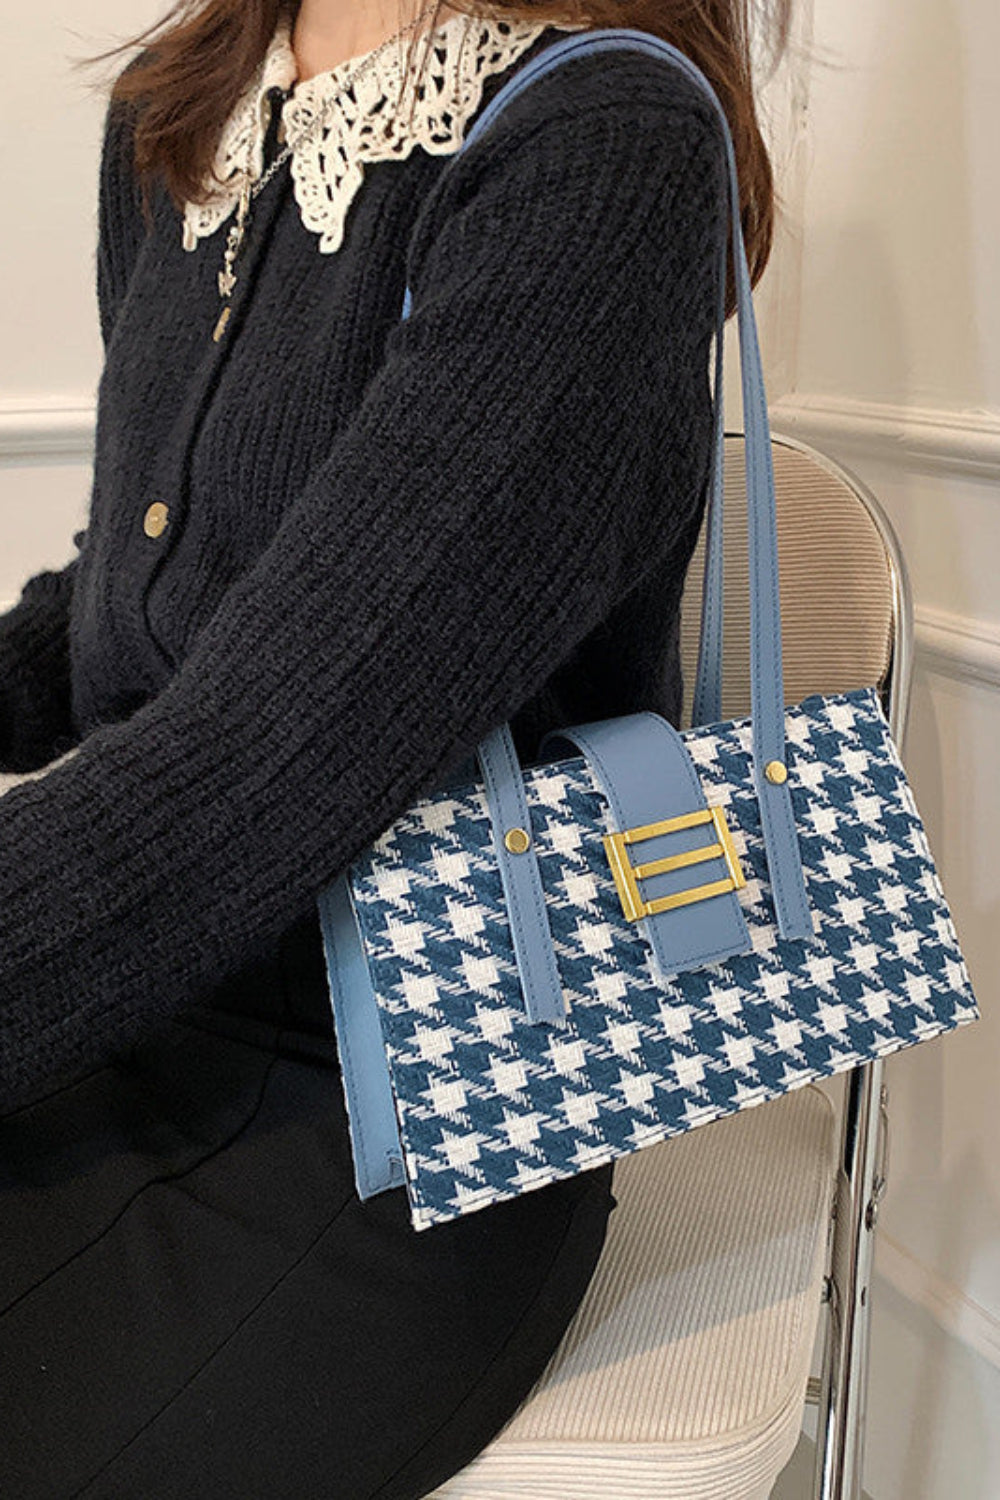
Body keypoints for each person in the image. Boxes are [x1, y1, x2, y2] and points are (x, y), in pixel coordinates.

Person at [0, 0, 788, 1494]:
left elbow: (262, 762)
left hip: (413, 1101)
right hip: (125, 989)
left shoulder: (601, 141)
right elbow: (140, 601)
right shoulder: (183, 110)